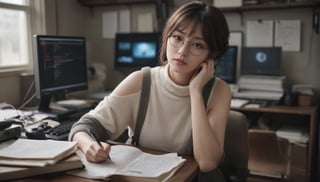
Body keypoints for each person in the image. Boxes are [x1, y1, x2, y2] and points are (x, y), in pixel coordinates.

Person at [69, 0, 231, 178]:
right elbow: (85, 126)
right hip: (139, 177)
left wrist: (195, 92)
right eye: (177, 38)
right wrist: (88, 145)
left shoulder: (219, 91)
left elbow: (207, 163)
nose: (182, 51)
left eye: (197, 45)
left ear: (212, 54)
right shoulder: (142, 81)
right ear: (167, 37)